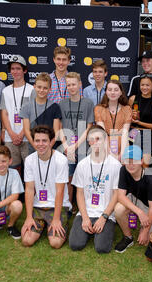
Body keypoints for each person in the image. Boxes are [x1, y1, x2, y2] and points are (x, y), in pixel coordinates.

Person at [69, 125, 122, 253]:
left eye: (98, 138)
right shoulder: (82, 165)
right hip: (86, 212)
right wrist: (85, 218)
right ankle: (87, 224)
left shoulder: (115, 165)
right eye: (91, 139)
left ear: (105, 140)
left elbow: (116, 194)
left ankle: (104, 226)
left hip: (106, 213)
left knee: (102, 248)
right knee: (75, 245)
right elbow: (79, 194)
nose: (95, 142)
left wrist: (104, 217)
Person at [21, 125, 71, 249]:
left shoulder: (61, 160)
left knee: (55, 243)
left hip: (57, 206)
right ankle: (42, 225)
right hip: (38, 206)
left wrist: (56, 219)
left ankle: (54, 223)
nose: (40, 144)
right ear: (33, 141)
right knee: (27, 240)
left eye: (44, 140)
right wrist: (28, 217)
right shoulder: (29, 160)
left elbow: (60, 191)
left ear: (51, 142)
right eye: (37, 140)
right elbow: (29, 189)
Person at [114, 145, 152, 252]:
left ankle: (145, 227)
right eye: (128, 161)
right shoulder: (124, 169)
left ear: (142, 161)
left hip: (149, 205)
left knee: (147, 240)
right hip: (134, 199)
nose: (131, 164)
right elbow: (120, 195)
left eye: (135, 161)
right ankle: (128, 237)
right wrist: (139, 212)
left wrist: (146, 230)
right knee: (118, 209)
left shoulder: (149, 177)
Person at [58, 72, 95, 203]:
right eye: (68, 85)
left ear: (80, 84)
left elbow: (89, 126)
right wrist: (67, 146)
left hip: (83, 146)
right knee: (68, 178)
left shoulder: (88, 103)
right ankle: (68, 205)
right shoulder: (62, 104)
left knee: (85, 178)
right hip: (67, 147)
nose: (71, 87)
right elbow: (59, 127)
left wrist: (76, 145)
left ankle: (84, 205)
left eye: (74, 84)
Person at [0, 55, 33, 174]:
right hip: (10, 138)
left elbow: (32, 113)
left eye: (18, 68)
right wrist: (11, 134)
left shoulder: (31, 90)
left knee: (30, 170)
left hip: (27, 137)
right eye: (13, 68)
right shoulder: (5, 90)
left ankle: (30, 193)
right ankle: (17, 193)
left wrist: (21, 133)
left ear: (24, 70)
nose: (15, 71)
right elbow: (4, 113)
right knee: (14, 170)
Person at [21, 72, 62, 152]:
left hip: (51, 149)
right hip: (33, 149)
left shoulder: (55, 107)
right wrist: (36, 147)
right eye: (39, 87)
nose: (41, 90)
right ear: (34, 87)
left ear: (50, 89)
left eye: (45, 88)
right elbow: (26, 130)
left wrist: (48, 147)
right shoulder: (26, 107)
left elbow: (56, 132)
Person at [128, 73, 152, 166]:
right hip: (132, 133)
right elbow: (125, 120)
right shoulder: (132, 99)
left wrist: (139, 122)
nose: (144, 87)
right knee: (131, 163)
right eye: (142, 85)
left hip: (147, 135)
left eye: (147, 85)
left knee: (145, 165)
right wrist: (132, 119)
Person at [94, 79, 131, 160]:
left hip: (123, 144)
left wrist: (122, 154)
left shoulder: (127, 109)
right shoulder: (98, 109)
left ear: (121, 92)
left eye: (116, 90)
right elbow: (103, 133)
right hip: (104, 145)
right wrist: (109, 153)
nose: (113, 92)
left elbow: (125, 132)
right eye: (110, 90)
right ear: (106, 92)